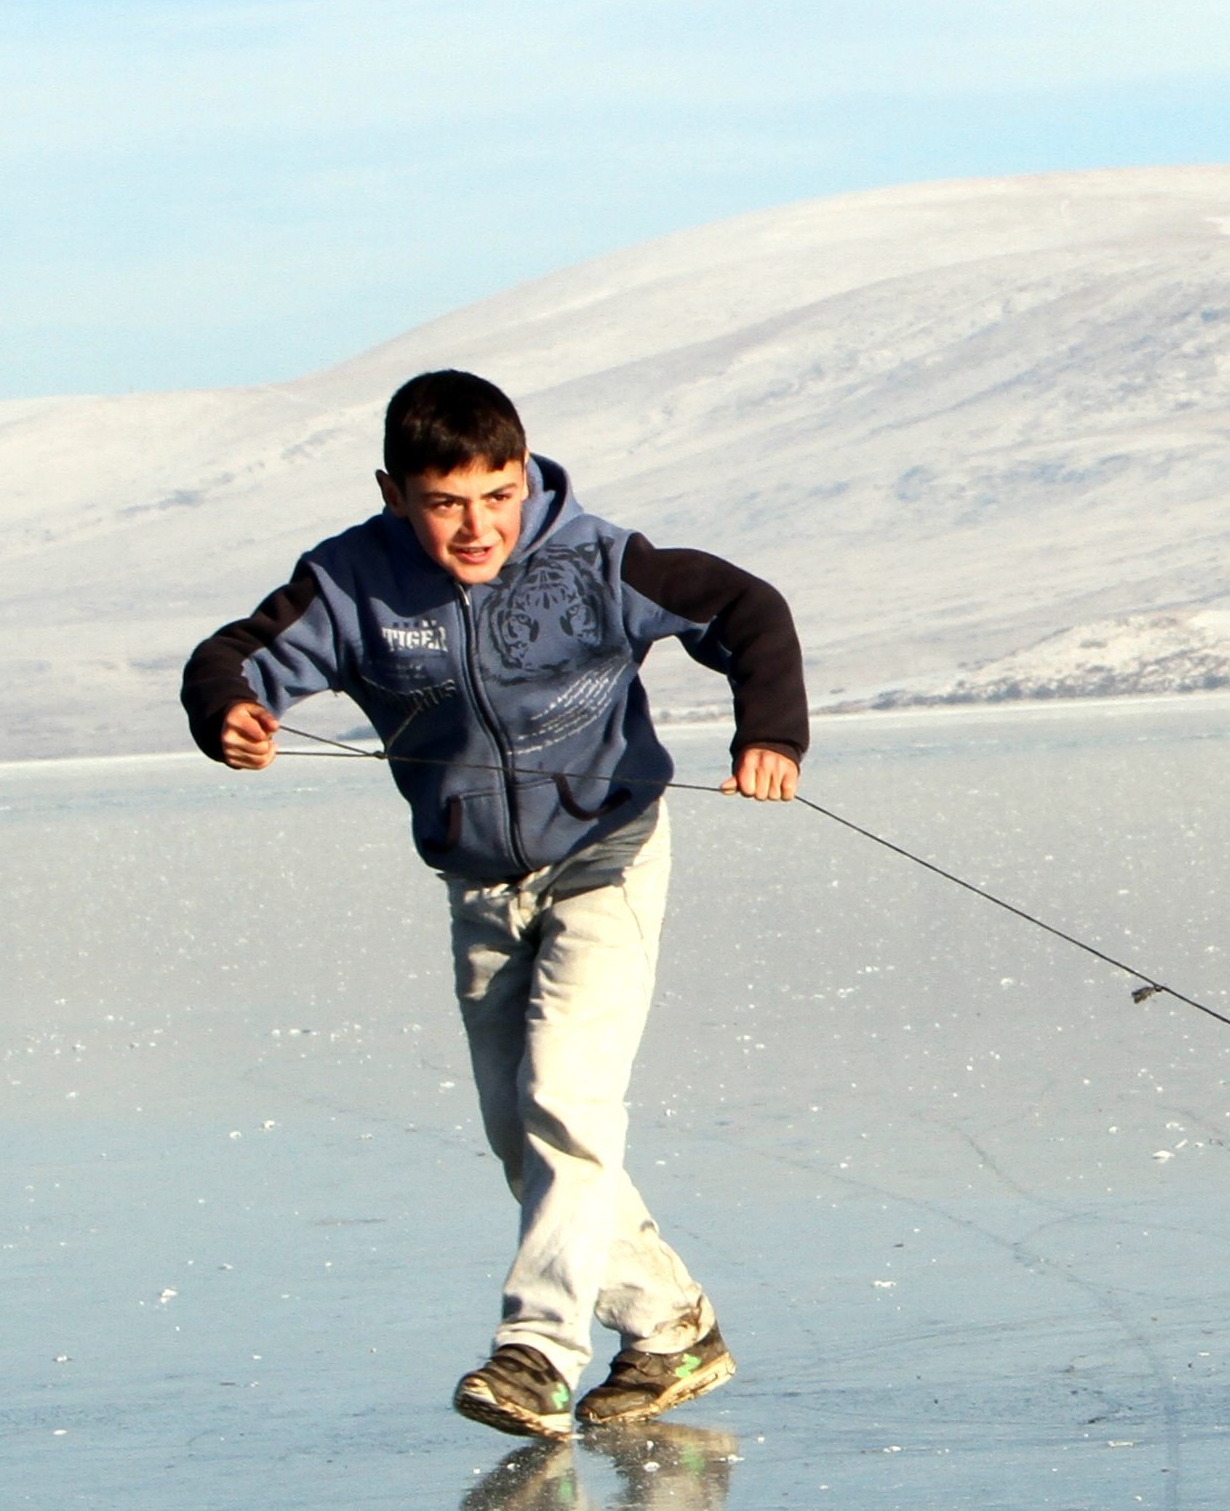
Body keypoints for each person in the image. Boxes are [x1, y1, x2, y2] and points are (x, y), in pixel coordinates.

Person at [184, 367, 808, 1438]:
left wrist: (771, 732)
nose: (478, 526)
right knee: (519, 1133)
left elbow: (745, 608)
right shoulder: (350, 586)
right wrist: (231, 715)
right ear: (395, 494)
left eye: (498, 494)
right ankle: (670, 1329)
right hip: (479, 881)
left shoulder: (598, 559)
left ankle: (536, 1352)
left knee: (569, 1101)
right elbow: (233, 658)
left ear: (525, 477)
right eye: (445, 502)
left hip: (607, 853)